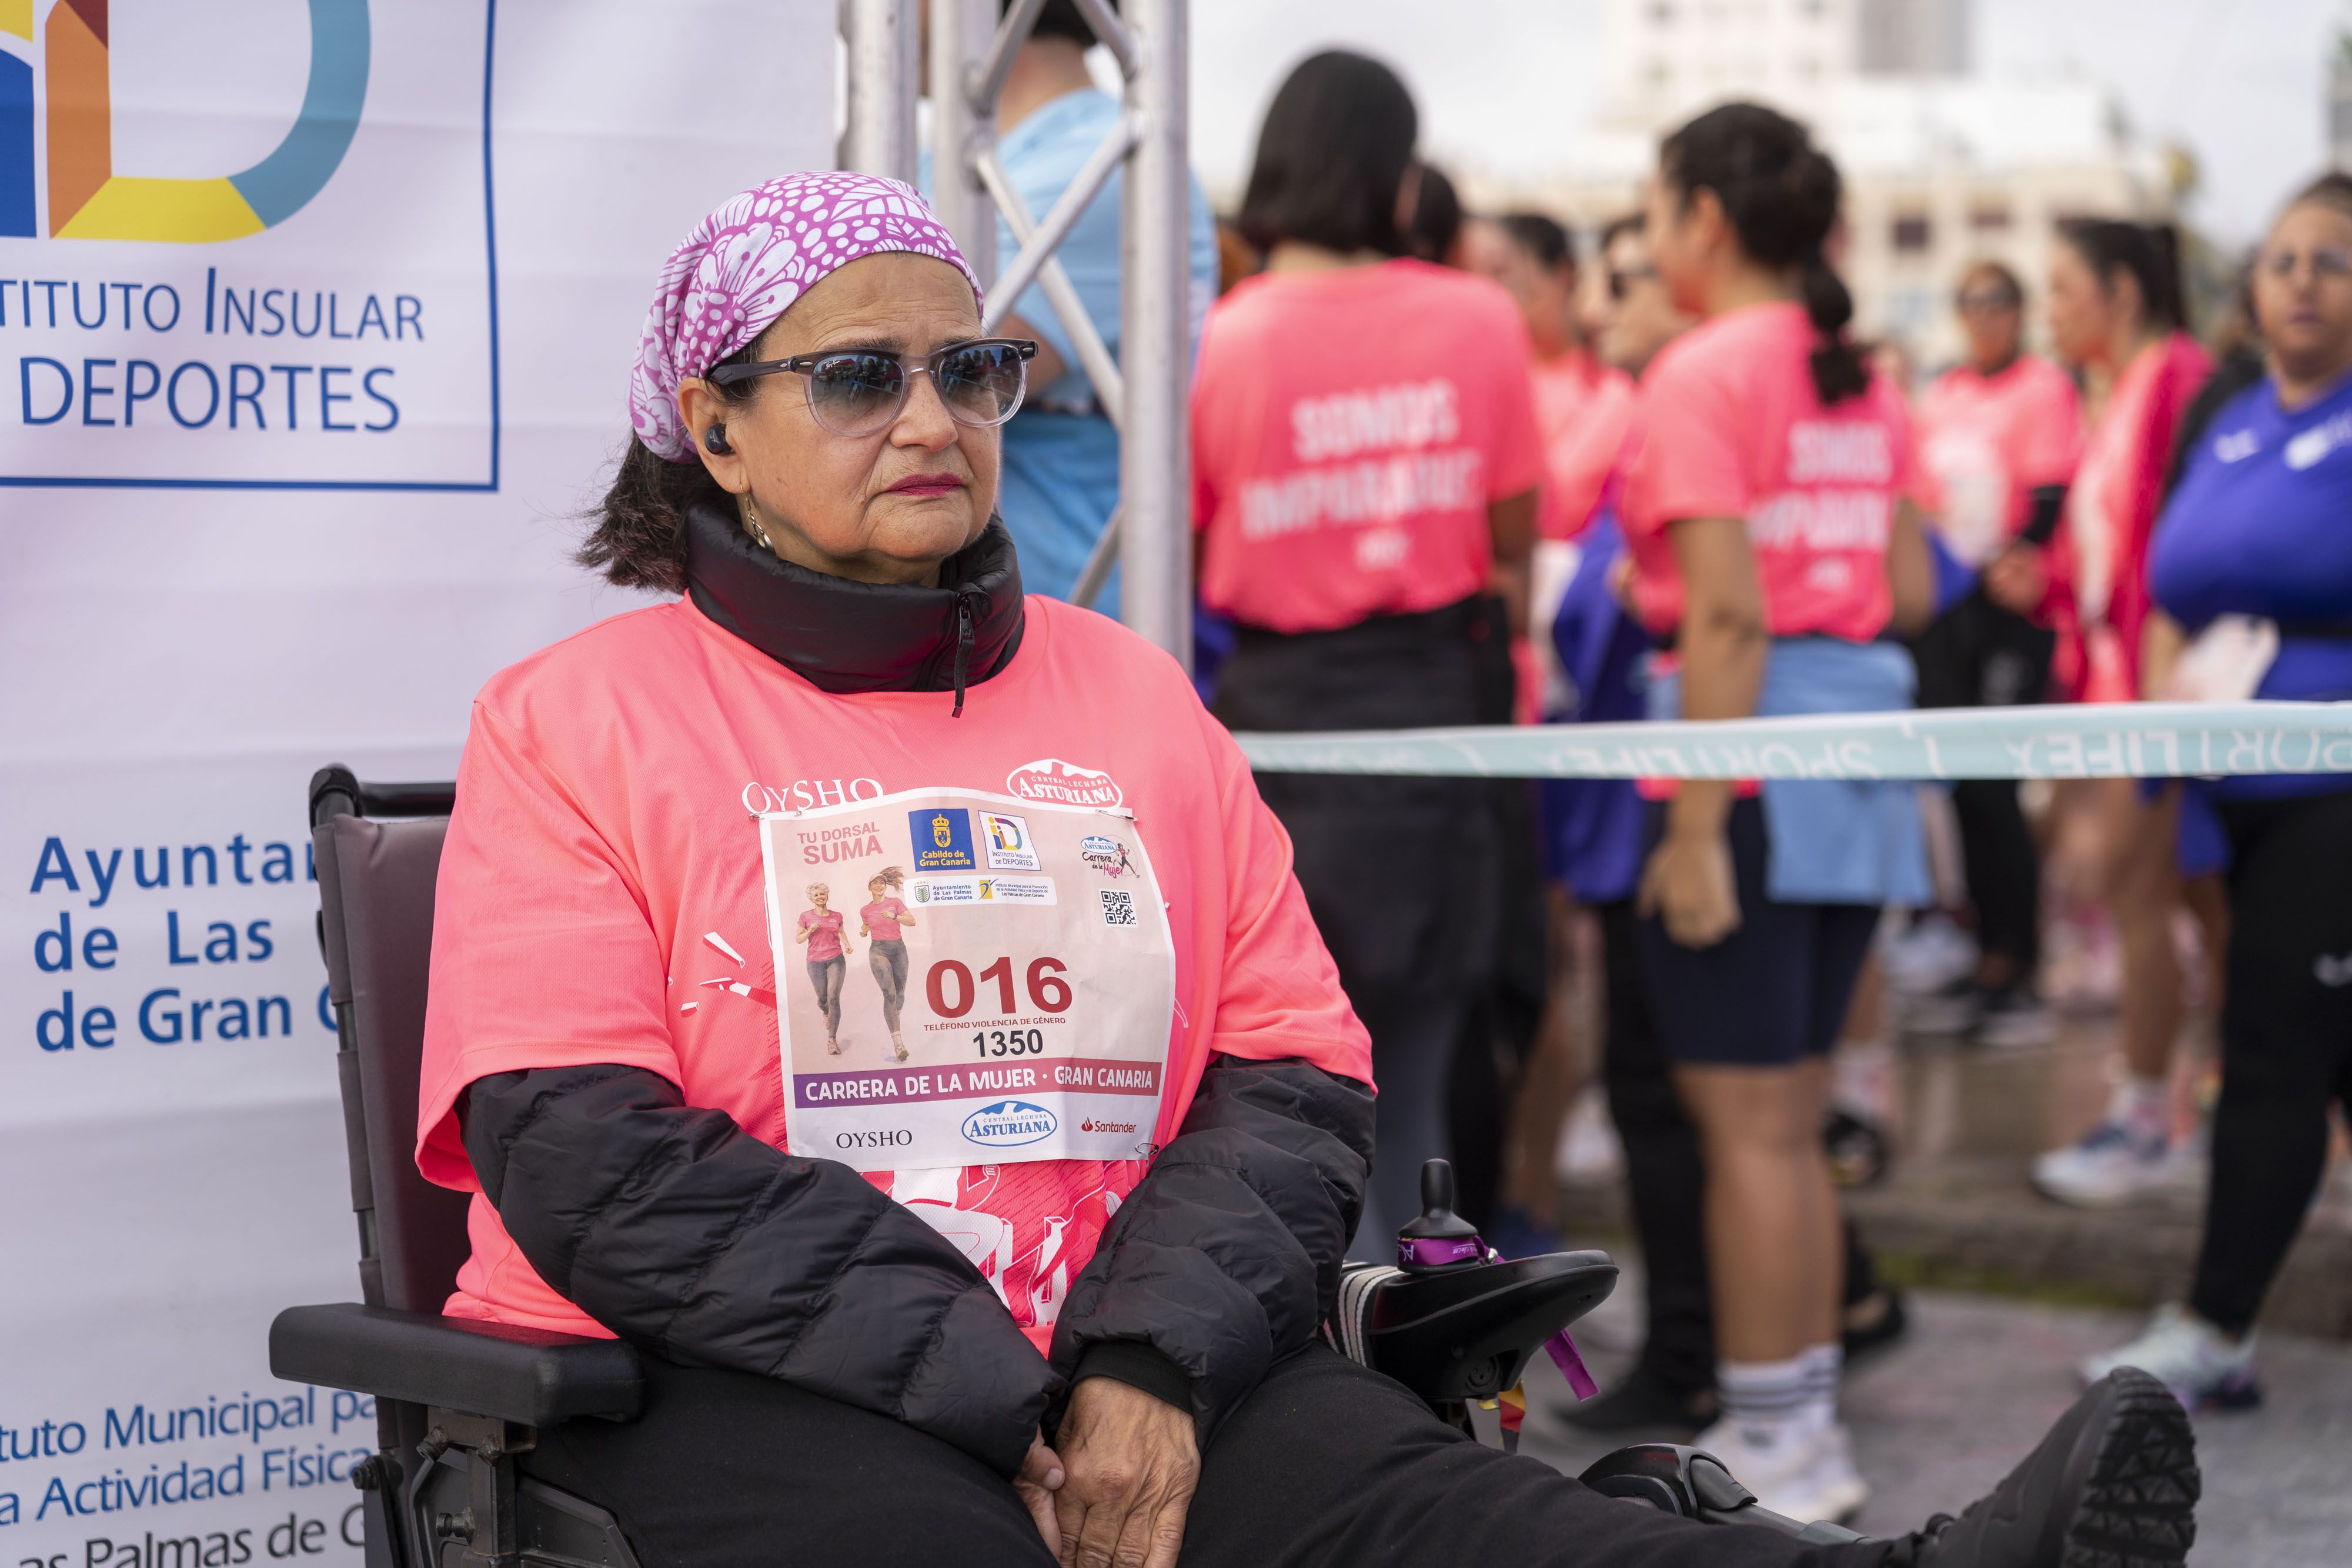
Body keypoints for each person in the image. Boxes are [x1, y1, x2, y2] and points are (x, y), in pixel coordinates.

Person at [403, 166, 2192, 1568]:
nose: (935, 416)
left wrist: (1143, 1368)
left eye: (974, 367)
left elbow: (1289, 1073)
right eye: (859, 376)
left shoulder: (1128, 691)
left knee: (1479, 1523)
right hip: (740, 1382)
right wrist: (1003, 1393)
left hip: (1133, 1356)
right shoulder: (573, 720)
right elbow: (594, 1158)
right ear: (714, 429)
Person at [1619, 103, 1937, 1522]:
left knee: (1747, 1126)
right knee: (1791, 1118)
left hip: (1740, 766)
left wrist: (1692, 828)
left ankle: (1773, 1448)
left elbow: (1729, 614)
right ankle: (1801, 1428)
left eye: (1654, 206)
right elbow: (1919, 585)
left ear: (1704, 219)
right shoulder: (1862, 375)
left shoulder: (1699, 372)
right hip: (1857, 760)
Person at [1190, 51, 1544, 1258]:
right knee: (1418, 1083)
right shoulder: (1476, 318)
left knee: (1282, 1077)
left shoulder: (1220, 340)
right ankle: (1423, 1381)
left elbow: (1186, 544)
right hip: (1436, 709)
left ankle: (1326, 1389)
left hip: (1278, 716)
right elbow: (1509, 536)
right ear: (1395, 175)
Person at [2084, 173, 2352, 1411]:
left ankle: (2216, 1323)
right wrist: (2160, 757)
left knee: (2268, 1047)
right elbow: (2173, 592)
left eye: (2331, 260)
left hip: (2328, 786)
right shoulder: (2230, 414)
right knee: (2310, 1043)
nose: (2299, 279)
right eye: (2282, 257)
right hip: (2219, 786)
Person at [2029, 221, 2214, 1208]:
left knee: (2155, 900)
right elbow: (2101, 554)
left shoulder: (2178, 377)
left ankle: (2152, 1117)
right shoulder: (2113, 390)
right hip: (2113, 687)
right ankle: (2198, 1107)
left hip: (2157, 691)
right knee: (2168, 900)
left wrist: (2151, 683)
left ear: (2124, 293)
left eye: (2064, 287)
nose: (2050, 308)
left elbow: (2171, 553)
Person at [921, 0, 1219, 604]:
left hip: (1059, 614)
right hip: (964, 608)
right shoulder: (949, 160)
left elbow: (930, 375)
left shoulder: (1103, 166)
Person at [1906, 261, 2084, 1045]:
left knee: (1996, 785)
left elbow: (2050, 496)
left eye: (1998, 302)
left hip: (2010, 604)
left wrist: (2023, 555)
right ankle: (1986, 952)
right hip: (1949, 606)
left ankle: (2019, 960)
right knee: (1960, 784)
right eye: (1970, 302)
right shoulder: (1943, 395)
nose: (1984, 316)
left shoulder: (2043, 387)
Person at [859, 866, 914, 1061]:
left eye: (882, 882)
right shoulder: (865, 910)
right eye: (875, 883)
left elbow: (912, 921)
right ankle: (899, 1046)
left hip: (898, 950)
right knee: (889, 993)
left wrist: (895, 917)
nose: (879, 885)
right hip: (878, 950)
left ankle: (893, 1018)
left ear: (885, 886)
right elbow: (866, 925)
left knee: (900, 994)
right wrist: (863, 931)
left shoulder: (895, 903)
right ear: (870, 887)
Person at [796, 881, 852, 1052]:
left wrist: (847, 945)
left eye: (822, 894)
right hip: (815, 962)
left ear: (827, 895)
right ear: (811, 899)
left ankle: (832, 1040)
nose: (820, 897)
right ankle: (826, 1012)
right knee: (823, 998)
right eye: (816, 895)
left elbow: (841, 932)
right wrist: (809, 931)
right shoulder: (806, 916)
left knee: (833, 997)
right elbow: (799, 939)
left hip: (836, 959)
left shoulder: (837, 915)